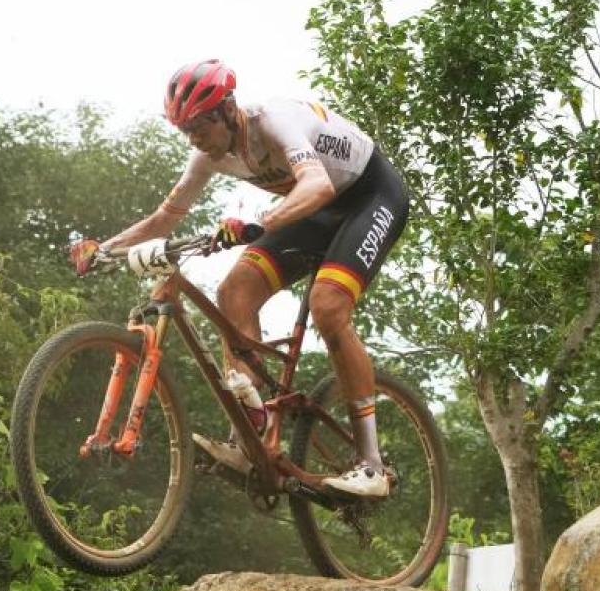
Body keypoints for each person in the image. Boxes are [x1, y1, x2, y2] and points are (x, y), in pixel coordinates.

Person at [69, 59, 409, 498]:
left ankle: (373, 466)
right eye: (185, 130)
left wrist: (260, 222)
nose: (193, 139)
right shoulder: (207, 156)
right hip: (312, 209)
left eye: (199, 126)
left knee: (328, 307)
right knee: (233, 293)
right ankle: (251, 433)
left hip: (369, 197)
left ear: (228, 110)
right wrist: (104, 250)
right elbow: (163, 219)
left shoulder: (276, 121)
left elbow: (318, 186)